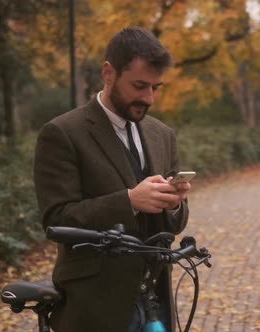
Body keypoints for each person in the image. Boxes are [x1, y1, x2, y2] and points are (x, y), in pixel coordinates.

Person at [33, 27, 190, 332]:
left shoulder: (163, 135)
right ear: (108, 73)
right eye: (139, 86)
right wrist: (129, 201)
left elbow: (175, 223)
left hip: (155, 298)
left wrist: (173, 204)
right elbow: (56, 219)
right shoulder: (62, 133)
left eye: (155, 88)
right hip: (95, 302)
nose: (149, 98)